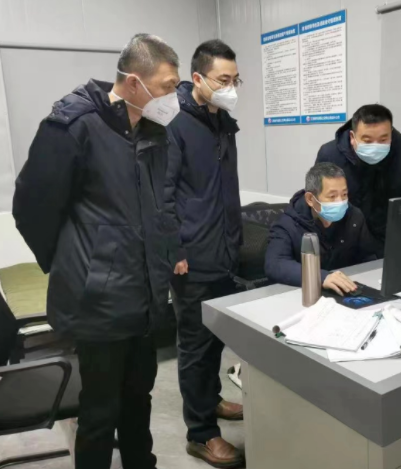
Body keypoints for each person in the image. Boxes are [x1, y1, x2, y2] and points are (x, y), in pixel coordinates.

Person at [12, 34, 184, 469]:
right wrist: (76, 263)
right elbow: (31, 208)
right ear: (133, 83)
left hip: (144, 294)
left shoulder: (153, 129)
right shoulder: (73, 126)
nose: (174, 97)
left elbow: (153, 207)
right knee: (100, 411)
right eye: (167, 87)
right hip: (99, 302)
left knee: (139, 399)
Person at [165, 39, 245, 468]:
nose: (231, 87)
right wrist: (174, 248)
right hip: (191, 258)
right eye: (222, 79)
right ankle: (200, 433)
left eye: (235, 80)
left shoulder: (222, 121)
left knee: (215, 338)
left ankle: (211, 400)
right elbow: (161, 192)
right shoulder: (173, 122)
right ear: (197, 78)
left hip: (223, 250)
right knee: (195, 347)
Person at [316, 104, 401, 249]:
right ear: (352, 137)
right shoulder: (330, 154)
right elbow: (317, 200)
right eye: (367, 141)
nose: (375, 146)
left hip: (389, 236)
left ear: (391, 134)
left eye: (383, 139)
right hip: (343, 238)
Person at [265, 163, 380, 294]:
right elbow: (275, 264)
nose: (340, 201)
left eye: (344, 194)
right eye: (332, 196)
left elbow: (368, 257)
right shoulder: (287, 224)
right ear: (310, 199)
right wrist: (321, 277)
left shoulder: (354, 216)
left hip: (346, 291)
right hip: (302, 294)